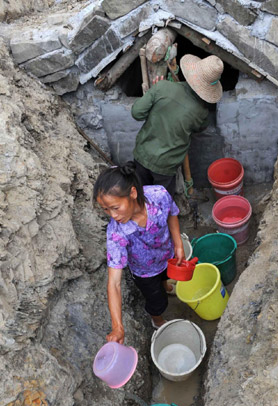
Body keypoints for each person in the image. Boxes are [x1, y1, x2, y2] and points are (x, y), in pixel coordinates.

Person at [93, 162, 184, 341]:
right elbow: (114, 283)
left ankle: (165, 285)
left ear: (133, 193)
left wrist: (178, 244)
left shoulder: (158, 196)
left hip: (166, 254)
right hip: (145, 272)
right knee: (157, 301)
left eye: (115, 207)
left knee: (166, 277)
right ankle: (157, 321)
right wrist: (117, 327)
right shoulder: (116, 232)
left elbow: (171, 213)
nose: (113, 215)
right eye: (106, 209)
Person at [132, 54, 224, 197]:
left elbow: (137, 113)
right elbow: (200, 128)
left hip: (143, 154)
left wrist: (152, 93)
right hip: (166, 165)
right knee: (163, 203)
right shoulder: (201, 112)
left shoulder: (161, 87)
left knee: (140, 197)